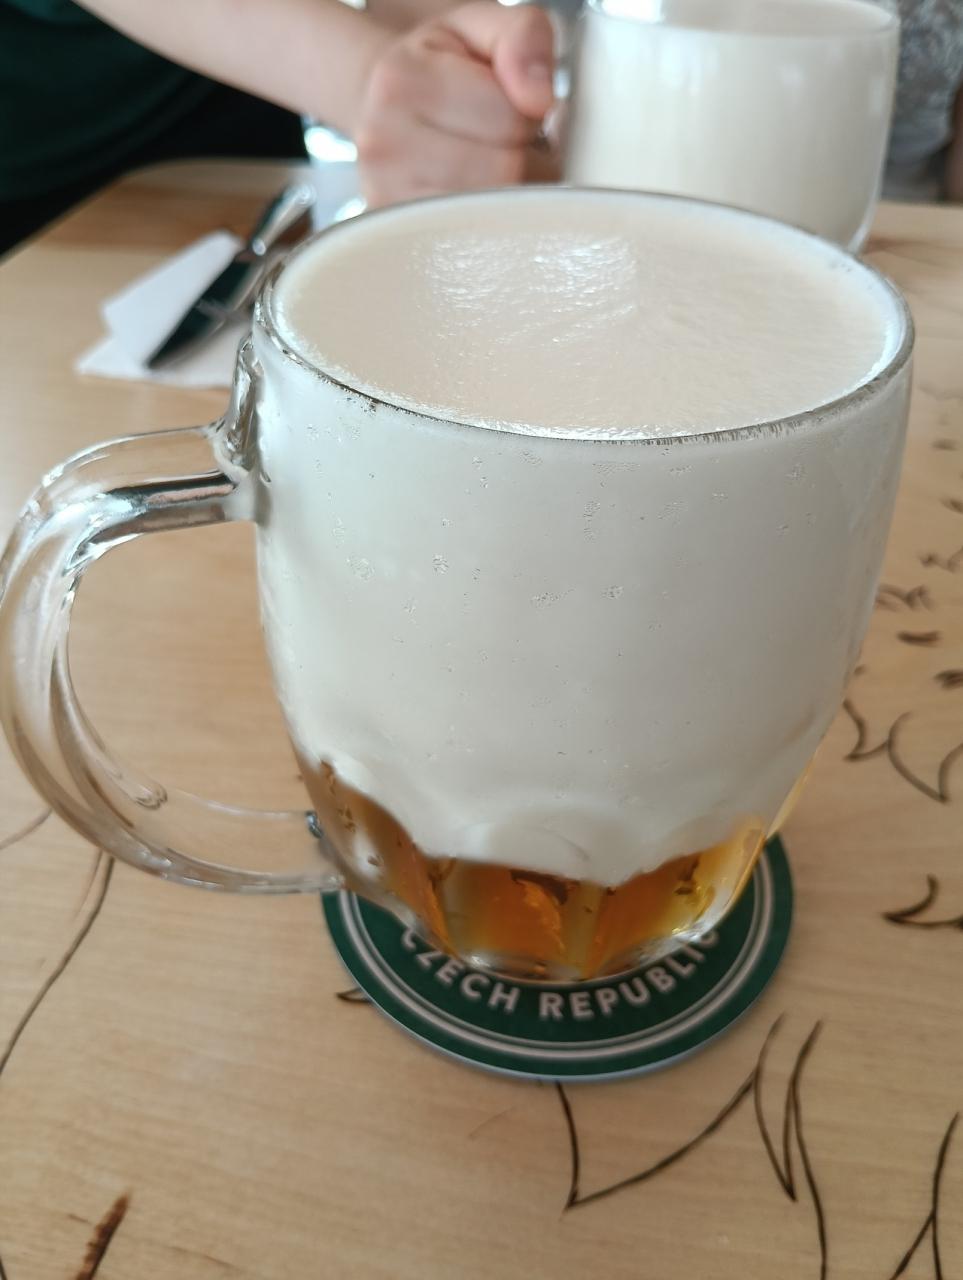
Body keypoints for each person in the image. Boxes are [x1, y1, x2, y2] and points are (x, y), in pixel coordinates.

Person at [0, 0, 556, 254]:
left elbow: (416, 22)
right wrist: (369, 75)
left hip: (231, 104)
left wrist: (460, 66)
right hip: (31, 153)